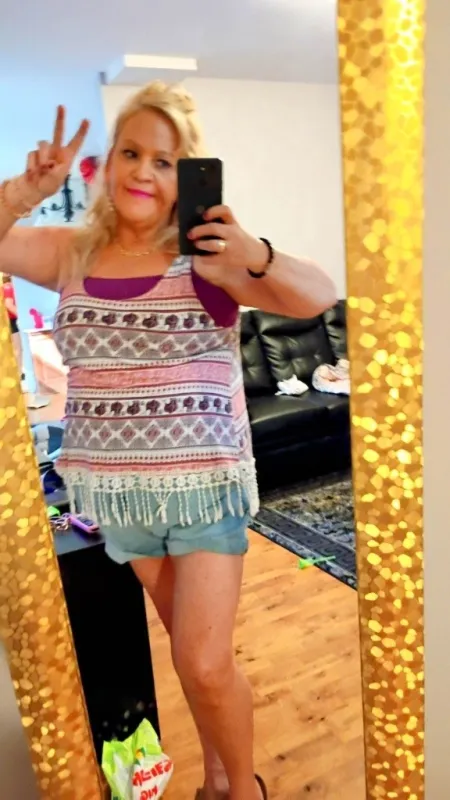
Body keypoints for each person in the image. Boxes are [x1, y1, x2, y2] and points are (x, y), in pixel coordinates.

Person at [0, 82, 337, 800]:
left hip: (204, 491)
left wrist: (256, 252)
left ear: (187, 176)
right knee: (190, 660)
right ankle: (215, 778)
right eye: (132, 153)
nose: (144, 173)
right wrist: (23, 193)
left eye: (164, 160)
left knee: (206, 663)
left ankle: (242, 790)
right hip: (119, 496)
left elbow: (318, 296)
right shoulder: (71, 253)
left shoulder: (209, 260)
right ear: (109, 162)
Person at [2, 273, 24, 383]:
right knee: (17, 349)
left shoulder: (5, 287)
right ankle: (18, 374)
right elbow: (9, 304)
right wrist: (23, 316)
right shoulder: (8, 288)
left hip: (8, 321)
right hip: (12, 321)